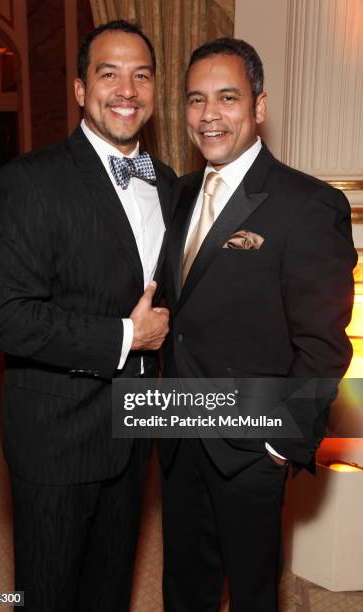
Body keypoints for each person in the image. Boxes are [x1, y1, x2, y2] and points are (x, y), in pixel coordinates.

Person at [0, 20, 176, 612]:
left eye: (141, 75)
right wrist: (126, 336)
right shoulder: (29, 182)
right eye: (108, 73)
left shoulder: (167, 183)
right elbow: (8, 317)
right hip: (57, 434)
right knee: (46, 595)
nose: (127, 89)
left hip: (134, 426)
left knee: (109, 591)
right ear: (79, 90)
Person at [158, 37, 356, 612]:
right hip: (177, 431)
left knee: (252, 593)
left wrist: (280, 442)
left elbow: (322, 344)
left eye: (226, 97)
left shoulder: (308, 204)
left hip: (251, 442)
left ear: (258, 106)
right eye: (195, 100)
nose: (209, 115)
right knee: (184, 587)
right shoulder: (180, 192)